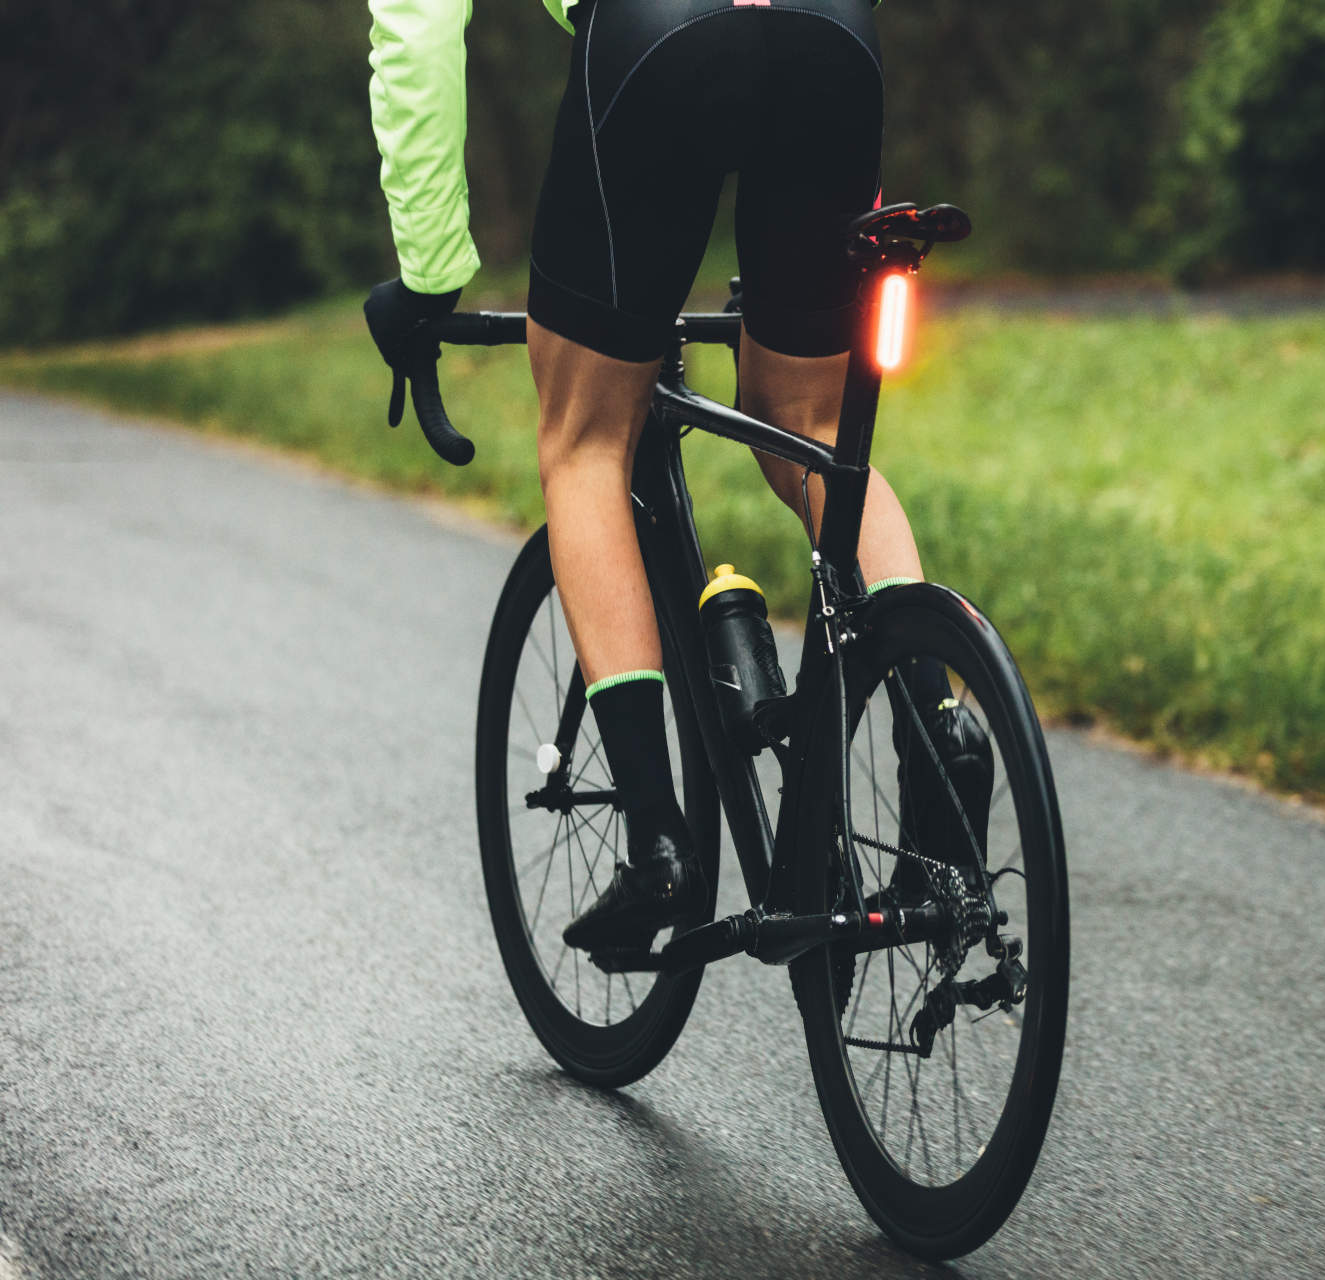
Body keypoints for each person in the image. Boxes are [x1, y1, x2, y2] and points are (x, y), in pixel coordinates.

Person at [362, 0, 986, 959]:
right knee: (810, 423)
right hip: (832, 30)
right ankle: (942, 730)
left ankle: (658, 842)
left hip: (665, 34)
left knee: (583, 438)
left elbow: (417, 29)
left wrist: (428, 273)